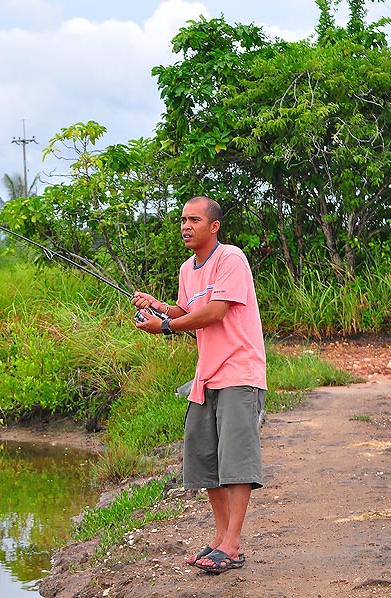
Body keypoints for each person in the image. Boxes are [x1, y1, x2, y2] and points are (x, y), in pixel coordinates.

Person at [131, 195, 267, 574]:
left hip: (239, 372)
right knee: (206, 460)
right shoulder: (187, 269)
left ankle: (234, 544)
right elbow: (187, 310)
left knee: (236, 462)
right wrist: (160, 308)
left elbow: (214, 312)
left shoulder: (231, 259)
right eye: (182, 220)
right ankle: (221, 539)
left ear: (214, 227)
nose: (186, 226)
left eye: (194, 219)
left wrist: (167, 325)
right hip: (206, 376)